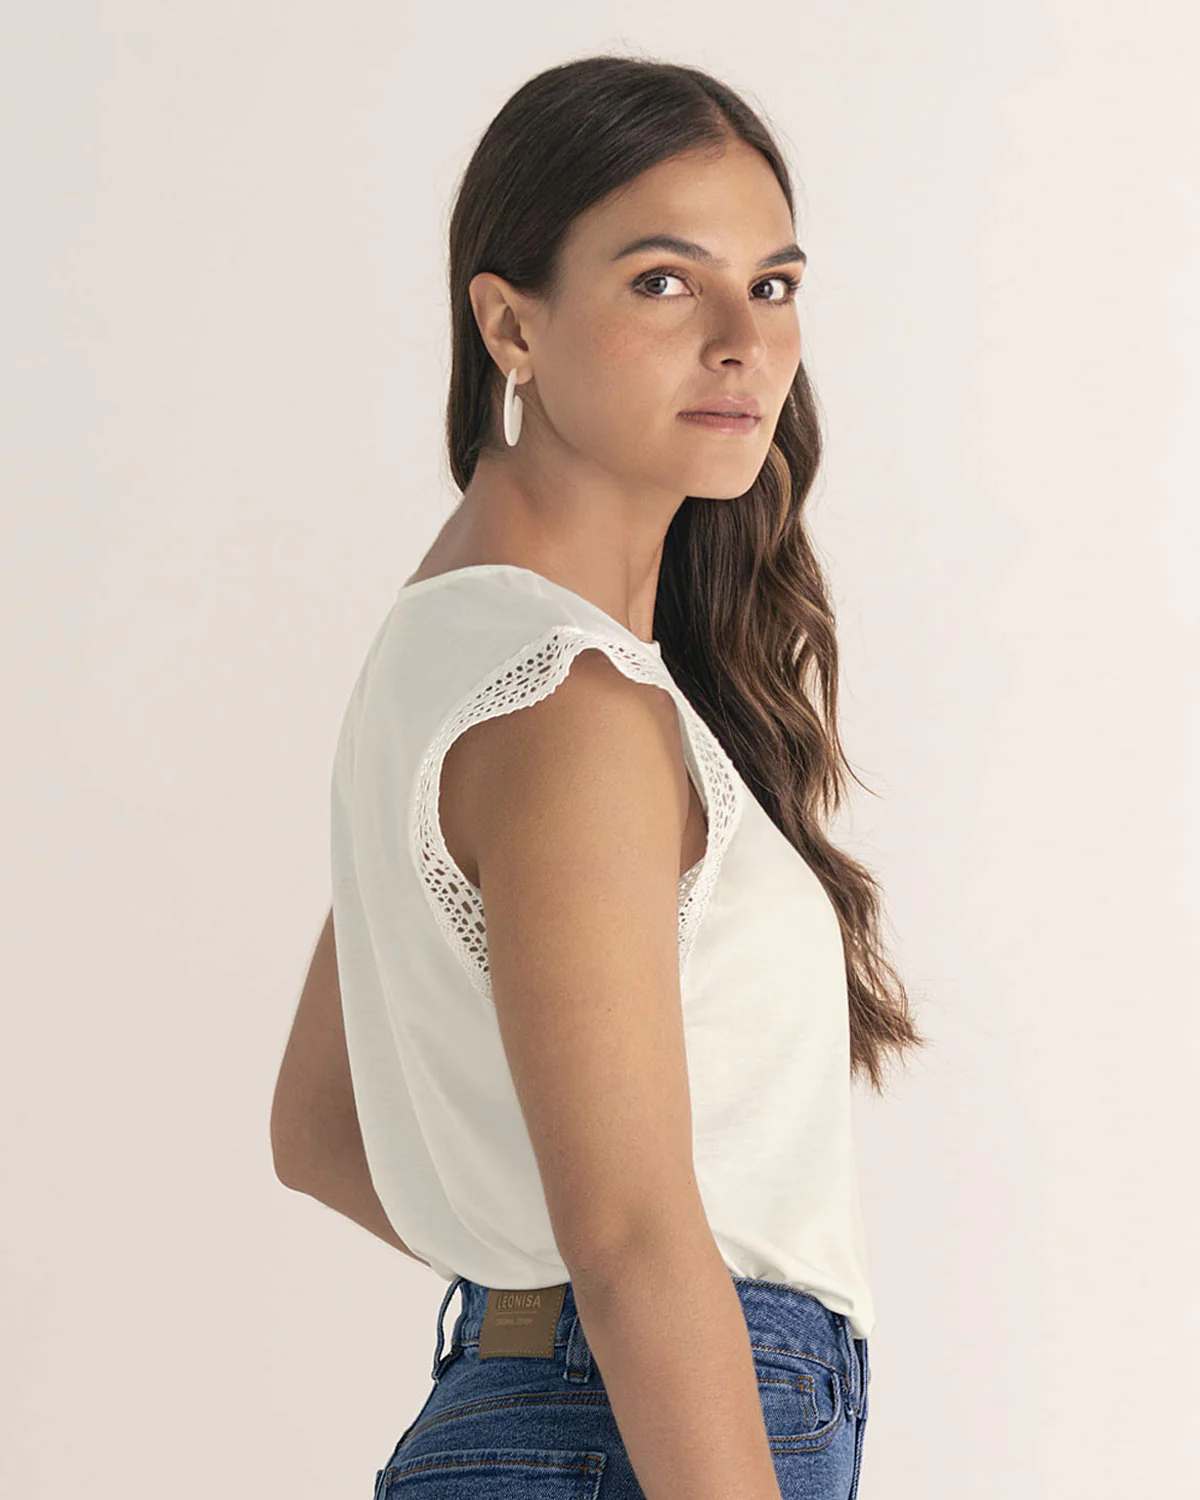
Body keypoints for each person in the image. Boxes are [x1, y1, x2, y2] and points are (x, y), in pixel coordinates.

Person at [271, 53, 925, 1500]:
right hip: (639, 1428)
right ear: (510, 324)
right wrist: (589, 1301)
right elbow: (631, 1237)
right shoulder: (568, 702)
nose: (743, 342)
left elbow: (318, 1128)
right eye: (663, 282)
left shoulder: (455, 660)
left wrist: (531, 1302)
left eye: (772, 285)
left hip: (558, 1417)